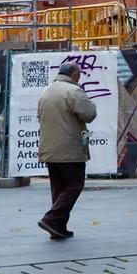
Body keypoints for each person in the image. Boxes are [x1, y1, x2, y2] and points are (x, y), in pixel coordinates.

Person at [37, 61, 97, 240]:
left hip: (50, 149)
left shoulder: (46, 91)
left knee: (58, 188)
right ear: (74, 75)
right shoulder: (73, 91)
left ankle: (58, 227)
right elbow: (89, 114)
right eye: (79, 74)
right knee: (74, 185)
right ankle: (52, 219)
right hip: (69, 149)